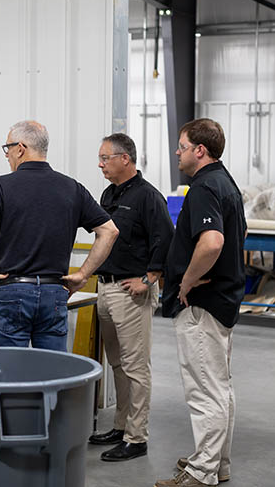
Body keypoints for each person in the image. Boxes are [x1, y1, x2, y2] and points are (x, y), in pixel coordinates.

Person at [0, 120, 119, 350]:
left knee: (11, 373)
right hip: (54, 292)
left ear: (20, 148)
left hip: (12, 290)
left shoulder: (0, 187)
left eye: (8, 148)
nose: (7, 155)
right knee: (50, 373)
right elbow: (109, 230)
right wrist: (83, 274)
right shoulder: (72, 188)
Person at [155, 119, 247, 487]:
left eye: (181, 146)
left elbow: (212, 243)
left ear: (200, 150)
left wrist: (187, 281)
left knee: (204, 390)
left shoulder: (205, 187)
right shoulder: (225, 183)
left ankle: (201, 473)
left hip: (202, 304)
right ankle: (216, 463)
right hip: (222, 300)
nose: (177, 152)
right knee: (220, 387)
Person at [88, 133, 174, 462]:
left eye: (105, 158)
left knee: (137, 367)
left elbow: (165, 237)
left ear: (125, 159)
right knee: (118, 365)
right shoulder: (109, 193)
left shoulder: (148, 197)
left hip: (131, 291)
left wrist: (149, 278)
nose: (100, 164)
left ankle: (137, 438)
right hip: (106, 289)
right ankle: (121, 426)